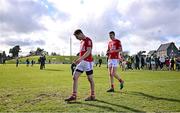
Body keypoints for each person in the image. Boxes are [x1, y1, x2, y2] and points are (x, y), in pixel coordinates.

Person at [65, 29, 95, 101]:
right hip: (82, 62)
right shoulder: (81, 42)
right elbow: (82, 52)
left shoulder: (88, 40)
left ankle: (92, 95)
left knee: (90, 79)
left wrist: (80, 59)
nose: (77, 38)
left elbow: (88, 52)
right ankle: (74, 95)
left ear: (80, 34)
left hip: (88, 62)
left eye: (77, 36)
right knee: (75, 77)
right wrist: (78, 59)